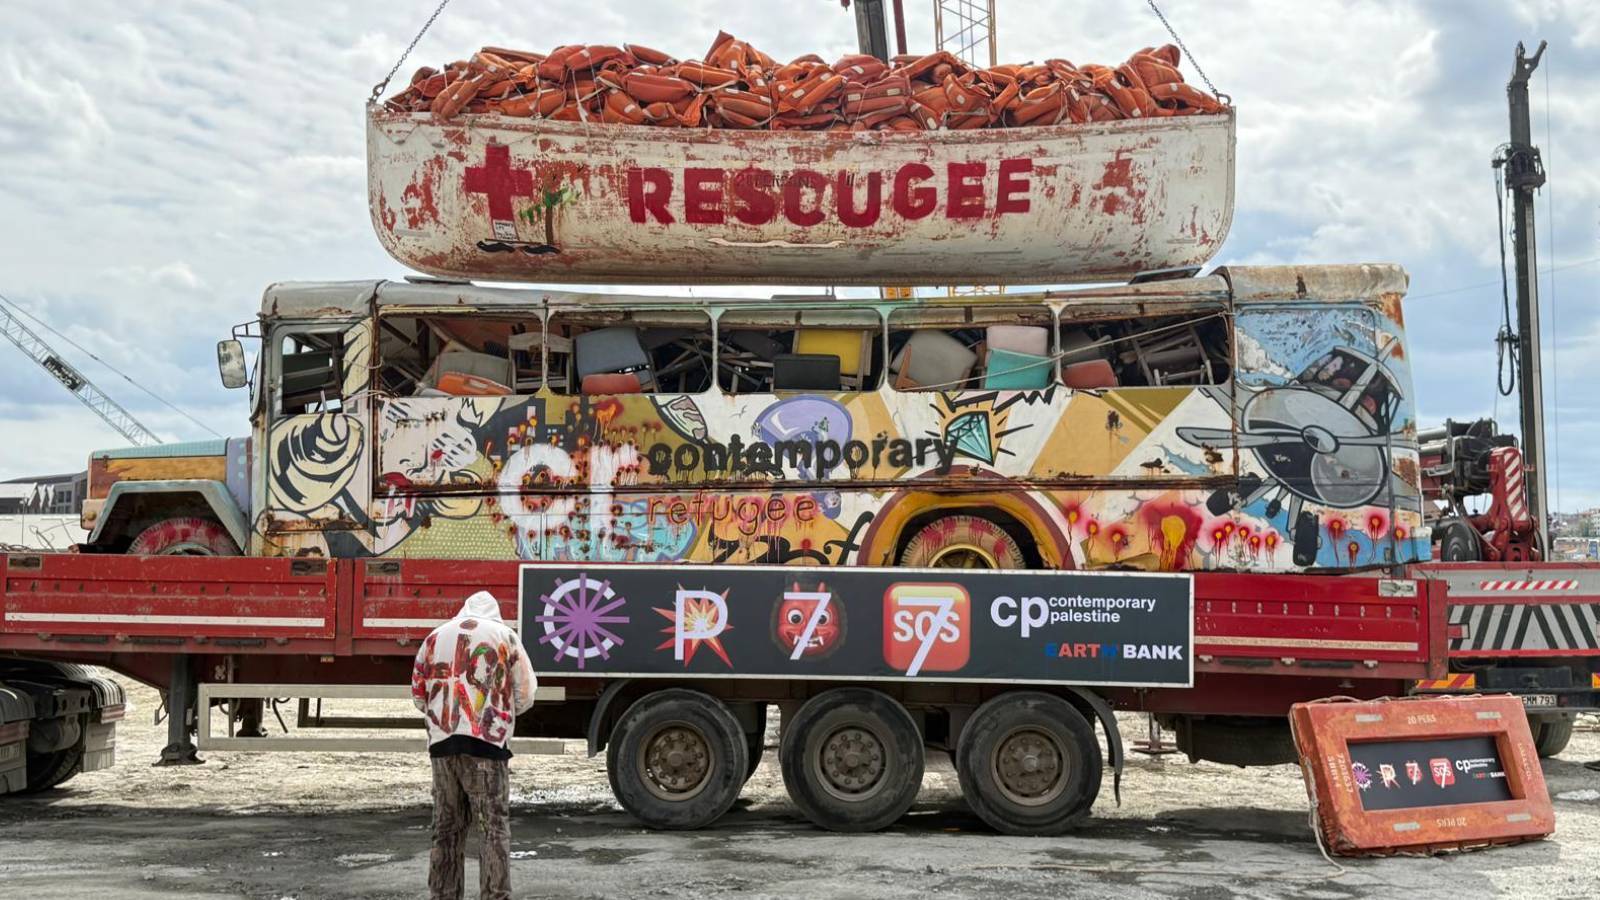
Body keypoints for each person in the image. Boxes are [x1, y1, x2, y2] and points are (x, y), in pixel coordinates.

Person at [411, 590, 538, 900]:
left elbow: (418, 693)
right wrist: (502, 716)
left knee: (446, 829)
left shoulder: (434, 637)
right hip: (488, 746)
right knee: (493, 828)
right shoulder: (505, 636)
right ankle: (495, 895)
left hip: (443, 746)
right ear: (494, 614)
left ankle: (443, 894)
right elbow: (526, 691)